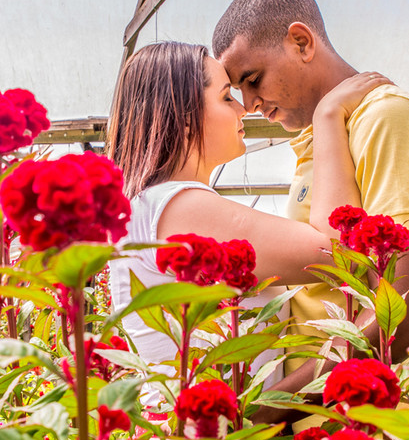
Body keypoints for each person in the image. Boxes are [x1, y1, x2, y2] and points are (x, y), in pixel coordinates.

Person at [213, 0, 409, 407]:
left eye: (253, 79)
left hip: (372, 433)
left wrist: (271, 409)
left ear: (301, 42)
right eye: (236, 90)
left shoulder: (385, 120)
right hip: (320, 429)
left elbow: (402, 318)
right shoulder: (323, 136)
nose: (248, 104)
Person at [105, 41, 387, 379]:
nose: (242, 109)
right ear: (184, 117)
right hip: (212, 430)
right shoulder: (179, 208)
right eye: (226, 97)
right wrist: (326, 117)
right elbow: (340, 250)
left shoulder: (153, 205)